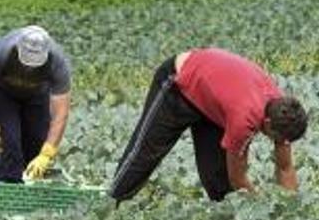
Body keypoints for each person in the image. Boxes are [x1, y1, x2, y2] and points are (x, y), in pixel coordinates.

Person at [110, 47, 308, 202]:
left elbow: (285, 167)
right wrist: (259, 205)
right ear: (267, 123)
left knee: (219, 182)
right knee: (146, 152)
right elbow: (238, 179)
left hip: (214, 100)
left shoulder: (282, 111)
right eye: (276, 139)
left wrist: (287, 209)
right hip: (179, 81)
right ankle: (113, 199)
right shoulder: (244, 120)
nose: (279, 143)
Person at [0, 25, 72, 183]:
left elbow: (61, 113)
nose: (29, 67)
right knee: (11, 144)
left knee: (37, 143)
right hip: (6, 96)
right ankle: (9, 191)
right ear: (18, 49)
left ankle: (33, 192)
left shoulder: (57, 62)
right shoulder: (1, 54)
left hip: (38, 96)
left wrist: (47, 153)